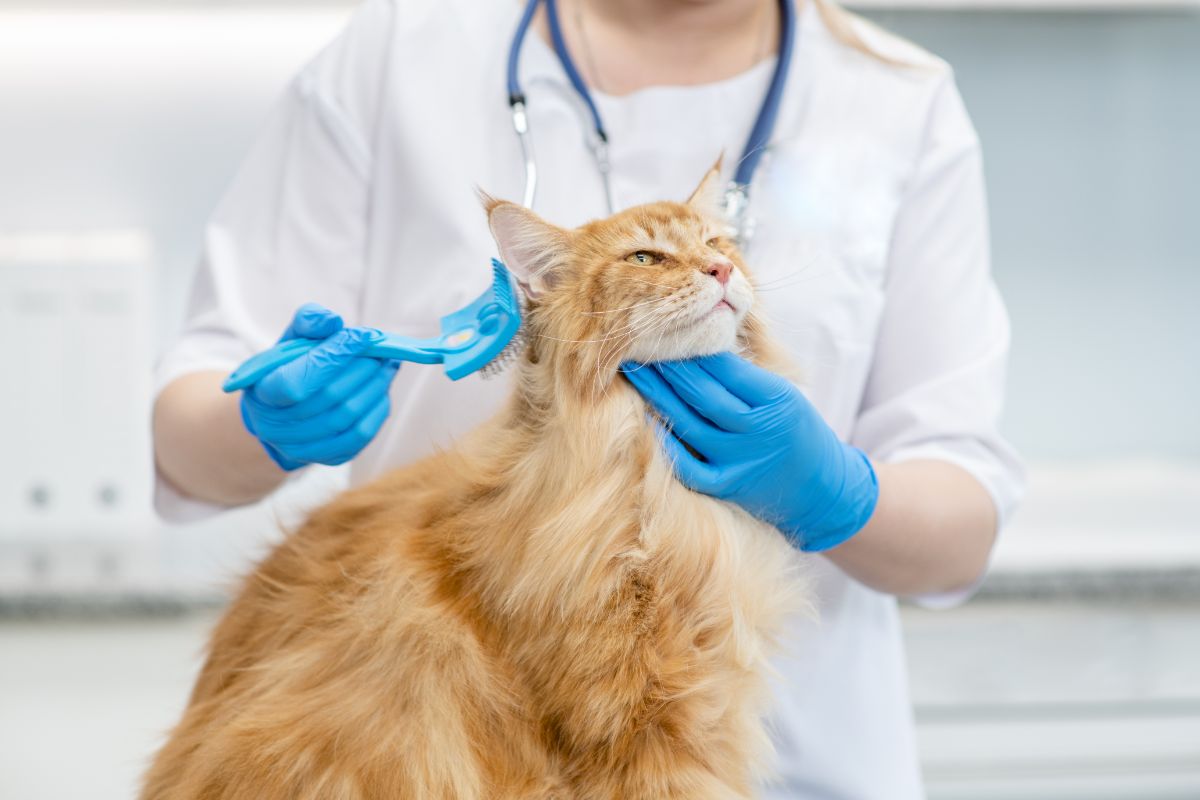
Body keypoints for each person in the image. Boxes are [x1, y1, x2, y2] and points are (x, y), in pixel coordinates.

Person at [152, 0, 1024, 795]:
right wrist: (263, 421)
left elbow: (961, 519)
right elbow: (189, 433)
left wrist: (837, 493)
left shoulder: (899, 98)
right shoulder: (401, 53)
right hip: (428, 736)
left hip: (799, 757)